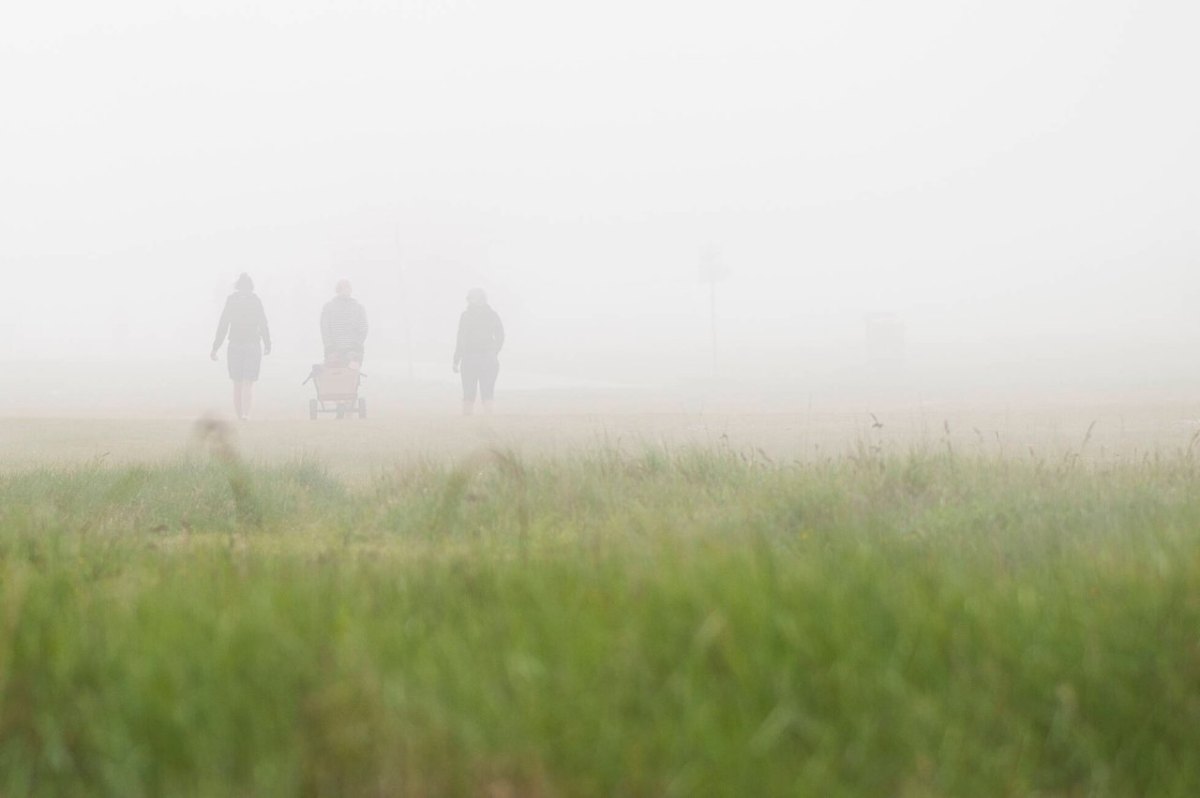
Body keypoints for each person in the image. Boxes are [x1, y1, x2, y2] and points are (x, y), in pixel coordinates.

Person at [211, 273, 271, 421]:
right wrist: (267, 343)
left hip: (237, 344)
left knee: (238, 383)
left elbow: (223, 324)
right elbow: (263, 323)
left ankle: (241, 415)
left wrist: (215, 347)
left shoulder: (232, 301)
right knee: (246, 382)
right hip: (250, 344)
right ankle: (245, 415)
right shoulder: (255, 301)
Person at [453, 287, 505, 415]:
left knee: (485, 392)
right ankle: (469, 421)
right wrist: (456, 360)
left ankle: (486, 421)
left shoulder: (488, 315)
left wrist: (493, 351)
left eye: (472, 298)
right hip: (473, 358)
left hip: (482, 358)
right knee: (470, 393)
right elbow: (461, 338)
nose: (470, 301)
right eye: (469, 298)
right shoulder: (469, 316)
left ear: (481, 298)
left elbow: (500, 335)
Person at [320, 279, 368, 367]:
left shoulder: (358, 308)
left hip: (353, 351)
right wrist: (329, 347)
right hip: (333, 350)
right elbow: (325, 329)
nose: (345, 291)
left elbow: (363, 328)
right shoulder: (328, 307)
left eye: (347, 288)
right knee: (334, 376)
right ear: (337, 290)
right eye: (342, 288)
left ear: (350, 290)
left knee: (352, 377)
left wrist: (356, 346)